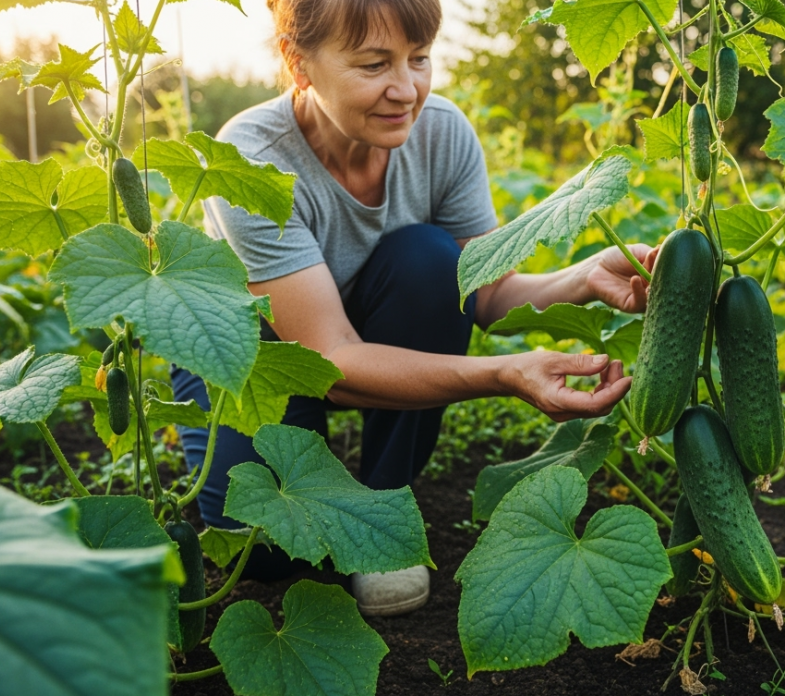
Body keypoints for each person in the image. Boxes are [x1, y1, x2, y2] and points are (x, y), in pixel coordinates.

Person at [172, 0, 655, 617]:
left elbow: (486, 293)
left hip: (362, 334)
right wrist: (504, 375)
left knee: (434, 259)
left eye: (419, 59)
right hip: (254, 357)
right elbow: (329, 359)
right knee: (270, 553)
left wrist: (585, 275)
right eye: (375, 65)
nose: (407, 90)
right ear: (299, 63)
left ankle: (382, 503)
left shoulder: (443, 134)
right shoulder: (250, 157)